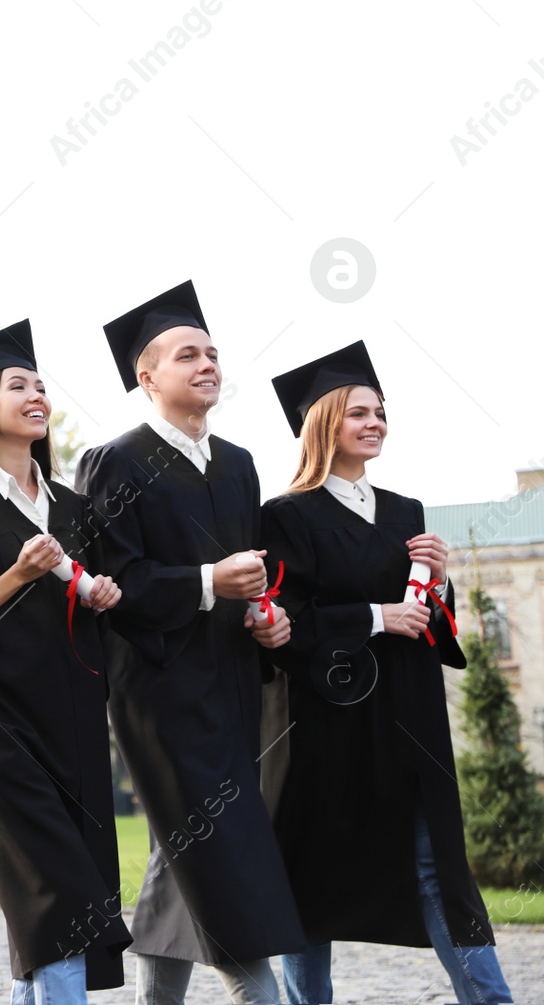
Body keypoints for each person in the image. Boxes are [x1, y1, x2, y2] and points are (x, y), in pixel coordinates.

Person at [73, 281, 303, 1005]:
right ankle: (259, 993)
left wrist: (266, 617)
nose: (207, 363)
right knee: (223, 855)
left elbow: (256, 577)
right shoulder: (115, 462)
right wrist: (207, 581)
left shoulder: (237, 462)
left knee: (182, 856)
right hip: (160, 692)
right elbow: (113, 585)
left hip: (232, 685)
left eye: (211, 352)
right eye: (187, 354)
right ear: (148, 376)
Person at [261, 341, 513, 1005]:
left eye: (380, 413)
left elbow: (428, 621)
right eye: (358, 413)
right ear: (324, 424)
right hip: (324, 724)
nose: (375, 423)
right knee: (307, 880)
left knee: (440, 871)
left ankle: (492, 998)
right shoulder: (285, 516)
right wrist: (375, 616)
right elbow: (284, 625)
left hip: (409, 716)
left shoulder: (407, 511)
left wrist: (442, 583)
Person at [0, 321, 132, 1003]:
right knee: (59, 894)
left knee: (60, 901)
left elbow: (86, 600)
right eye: (19, 385)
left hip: (70, 717)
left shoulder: (72, 507)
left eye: (41, 385)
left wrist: (99, 594)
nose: (36, 394)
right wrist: (15, 574)